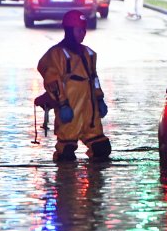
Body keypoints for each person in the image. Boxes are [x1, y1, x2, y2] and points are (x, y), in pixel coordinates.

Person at [36, 10, 111, 162]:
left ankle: (94, 182)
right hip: (70, 110)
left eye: (84, 30)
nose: (83, 33)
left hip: (90, 114)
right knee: (66, 153)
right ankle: (65, 181)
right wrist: (63, 104)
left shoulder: (89, 54)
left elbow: (94, 79)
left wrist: (100, 99)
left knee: (102, 150)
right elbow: (52, 81)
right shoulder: (57, 55)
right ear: (69, 31)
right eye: (79, 30)